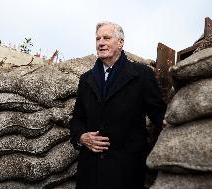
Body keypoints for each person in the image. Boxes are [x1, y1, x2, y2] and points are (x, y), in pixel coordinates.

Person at [69, 21, 167, 189]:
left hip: (126, 171)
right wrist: (81, 137)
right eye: (98, 38)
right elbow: (77, 119)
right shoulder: (86, 79)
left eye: (106, 37)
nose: (100, 42)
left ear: (120, 42)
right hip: (90, 171)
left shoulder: (142, 75)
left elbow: (160, 116)